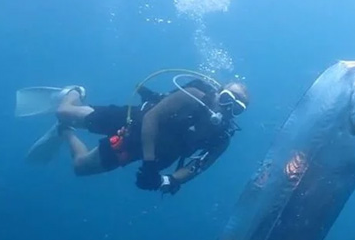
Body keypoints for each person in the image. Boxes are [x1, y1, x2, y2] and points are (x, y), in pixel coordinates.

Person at [16, 71, 250, 194]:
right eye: (227, 98)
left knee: (80, 167)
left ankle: (63, 131)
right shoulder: (194, 97)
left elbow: (197, 167)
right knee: (63, 110)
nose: (227, 107)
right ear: (218, 92)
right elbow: (152, 117)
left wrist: (165, 180)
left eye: (237, 107)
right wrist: (149, 164)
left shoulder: (220, 137)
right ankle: (75, 91)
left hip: (138, 149)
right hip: (133, 122)